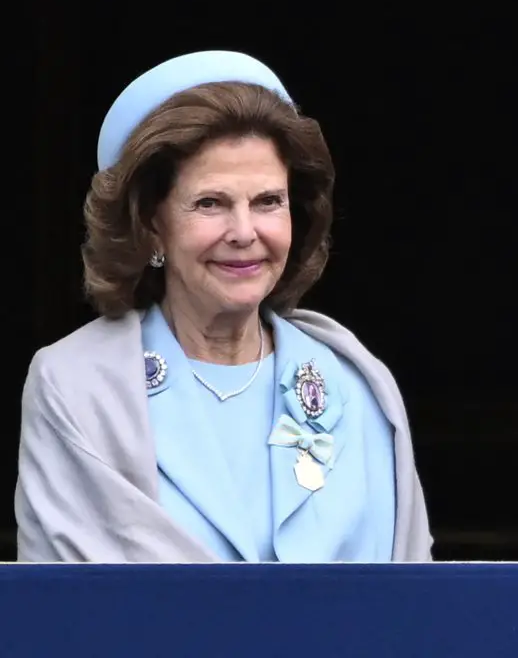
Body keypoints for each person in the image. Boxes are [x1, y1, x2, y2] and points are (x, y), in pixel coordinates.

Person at [15, 50, 434, 562]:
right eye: (210, 203)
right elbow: (72, 616)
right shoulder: (81, 384)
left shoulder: (355, 382)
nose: (244, 233)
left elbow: (413, 604)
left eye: (267, 202)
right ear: (151, 225)